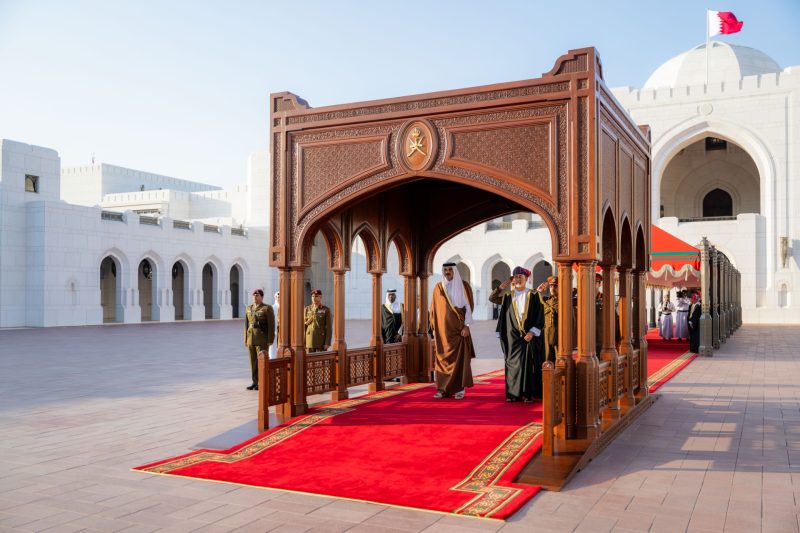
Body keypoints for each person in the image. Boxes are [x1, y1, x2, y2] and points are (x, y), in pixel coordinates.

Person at [490, 266, 544, 402]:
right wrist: (501, 288)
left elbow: (540, 315)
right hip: (511, 335)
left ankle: (526, 395)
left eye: (521, 276)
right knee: (512, 363)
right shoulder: (508, 296)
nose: (518, 279)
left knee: (527, 364)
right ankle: (513, 394)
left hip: (528, 334)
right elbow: (492, 298)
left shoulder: (533, 294)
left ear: (526, 279)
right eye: (516, 276)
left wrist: (533, 332)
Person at [429, 262, 475, 400]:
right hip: (442, 332)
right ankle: (443, 389)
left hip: (459, 331)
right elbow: (433, 310)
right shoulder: (438, 288)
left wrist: (467, 326)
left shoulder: (464, 286)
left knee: (460, 361)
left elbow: (468, 307)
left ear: (455, 271)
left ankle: (459, 389)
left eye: (450, 269)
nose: (447, 272)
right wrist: (433, 326)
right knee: (442, 359)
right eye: (445, 270)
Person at [244, 289, 275, 391]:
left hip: (262, 339)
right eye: (254, 296)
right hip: (251, 338)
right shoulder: (249, 308)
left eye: (257, 296)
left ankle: (262, 381)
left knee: (261, 362)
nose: (255, 297)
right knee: (252, 362)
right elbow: (246, 325)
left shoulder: (267, 308)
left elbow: (271, 325)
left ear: (261, 297)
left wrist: (270, 339)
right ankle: (254, 382)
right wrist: (246, 339)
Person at [536, 275, 558, 363]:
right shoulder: (545, 301)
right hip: (546, 336)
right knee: (547, 360)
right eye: (551, 286)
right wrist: (538, 292)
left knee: (559, 361)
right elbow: (530, 303)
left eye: (555, 286)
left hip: (559, 337)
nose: (552, 288)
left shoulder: (565, 301)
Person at [268, 291, 280, 358]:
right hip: (274, 332)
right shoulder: (271, 308)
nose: (278, 298)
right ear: (275, 298)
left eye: (280, 297)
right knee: (272, 349)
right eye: (277, 297)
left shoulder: (286, 308)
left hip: (282, 333)